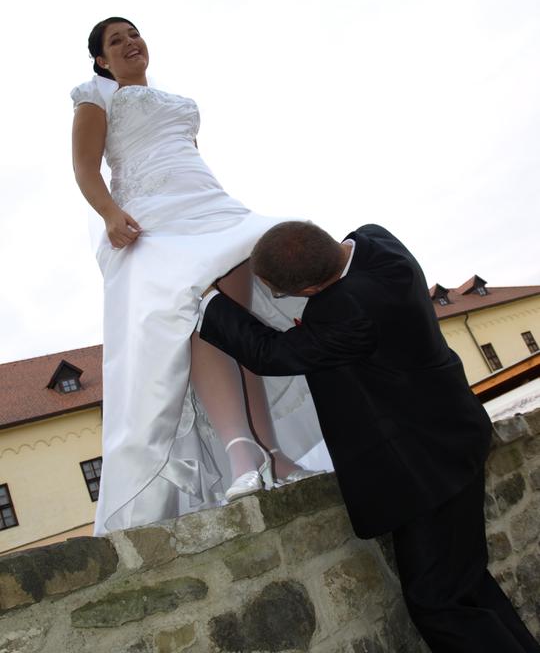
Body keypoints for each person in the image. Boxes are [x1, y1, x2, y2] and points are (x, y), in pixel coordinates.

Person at [198, 221, 540, 653]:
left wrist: (209, 302)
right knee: (466, 582)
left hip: (425, 467)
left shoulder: (346, 309)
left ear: (309, 290)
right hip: (455, 434)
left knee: (438, 603)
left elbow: (272, 353)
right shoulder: (376, 242)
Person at [71, 17, 327, 536]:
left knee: (241, 330)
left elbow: (184, 157)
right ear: (101, 60)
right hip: (151, 222)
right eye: (115, 41)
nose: (129, 43)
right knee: (200, 318)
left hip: (211, 210)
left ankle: (272, 452)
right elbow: (85, 166)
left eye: (133, 34)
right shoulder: (95, 96)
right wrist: (110, 214)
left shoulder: (179, 103)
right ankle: (240, 452)